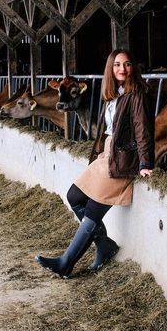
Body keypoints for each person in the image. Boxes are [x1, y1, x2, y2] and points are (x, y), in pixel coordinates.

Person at [35, 49, 155, 278]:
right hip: (106, 155)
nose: (123, 69)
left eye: (127, 64)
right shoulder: (113, 94)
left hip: (122, 159)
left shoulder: (137, 94)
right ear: (111, 68)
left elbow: (143, 130)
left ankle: (66, 263)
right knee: (74, 196)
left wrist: (145, 162)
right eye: (118, 64)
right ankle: (104, 245)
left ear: (133, 68)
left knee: (91, 211)